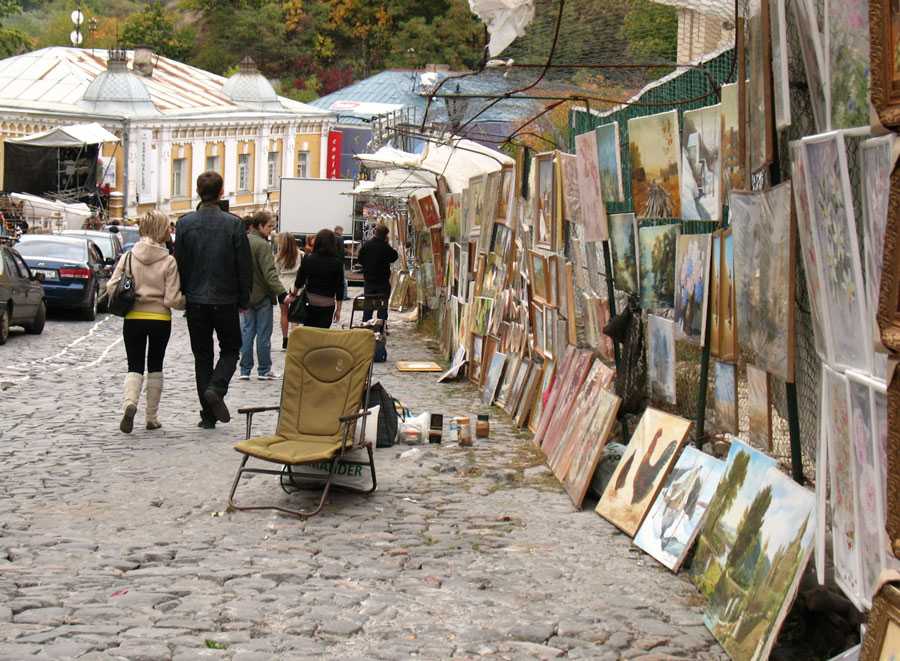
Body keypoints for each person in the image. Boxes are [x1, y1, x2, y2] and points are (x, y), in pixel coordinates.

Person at [175, 171, 252, 429]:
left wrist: (185, 293)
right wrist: (244, 298)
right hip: (226, 299)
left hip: (196, 300)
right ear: (221, 193)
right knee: (231, 349)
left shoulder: (185, 224)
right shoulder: (234, 224)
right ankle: (217, 388)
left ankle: (207, 415)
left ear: (198, 192)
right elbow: (244, 266)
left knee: (202, 356)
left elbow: (180, 264)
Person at [107, 210, 185, 433]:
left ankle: (130, 403)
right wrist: (185, 302)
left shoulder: (129, 256)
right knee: (155, 365)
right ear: (162, 230)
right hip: (160, 318)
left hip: (133, 317)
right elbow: (172, 299)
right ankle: (151, 417)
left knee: (134, 365)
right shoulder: (169, 261)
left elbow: (111, 286)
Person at [239, 211, 287, 380]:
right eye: (269, 226)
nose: (271, 230)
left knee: (247, 332)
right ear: (259, 226)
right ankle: (264, 369)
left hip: (245, 296)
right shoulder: (262, 245)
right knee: (263, 334)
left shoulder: (242, 241)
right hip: (262, 297)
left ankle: (244, 370)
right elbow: (270, 273)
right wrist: (282, 293)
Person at [287, 228, 344, 329]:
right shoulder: (337, 263)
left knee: (309, 331)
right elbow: (340, 287)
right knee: (322, 334)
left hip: (310, 302)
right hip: (328, 304)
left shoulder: (308, 259)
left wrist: (293, 294)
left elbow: (300, 280)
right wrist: (338, 309)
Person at [357, 223, 398, 323]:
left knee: (368, 305)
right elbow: (394, 257)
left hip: (369, 280)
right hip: (382, 281)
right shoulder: (385, 247)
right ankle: (381, 326)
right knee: (383, 306)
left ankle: (366, 324)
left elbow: (360, 260)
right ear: (385, 235)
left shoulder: (367, 245)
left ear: (375, 232)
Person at [275, 232, 302, 349]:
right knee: (295, 315)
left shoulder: (278, 257)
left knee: (284, 314)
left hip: (282, 287)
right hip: (297, 287)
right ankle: (295, 340)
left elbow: (276, 273)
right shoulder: (301, 255)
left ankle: (285, 339)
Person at [334, 225, 351, 301]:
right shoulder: (340, 238)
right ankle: (344, 296)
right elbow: (341, 251)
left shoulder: (331, 238)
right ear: (338, 230)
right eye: (342, 231)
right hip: (340, 262)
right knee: (343, 280)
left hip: (333, 261)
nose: (342, 233)